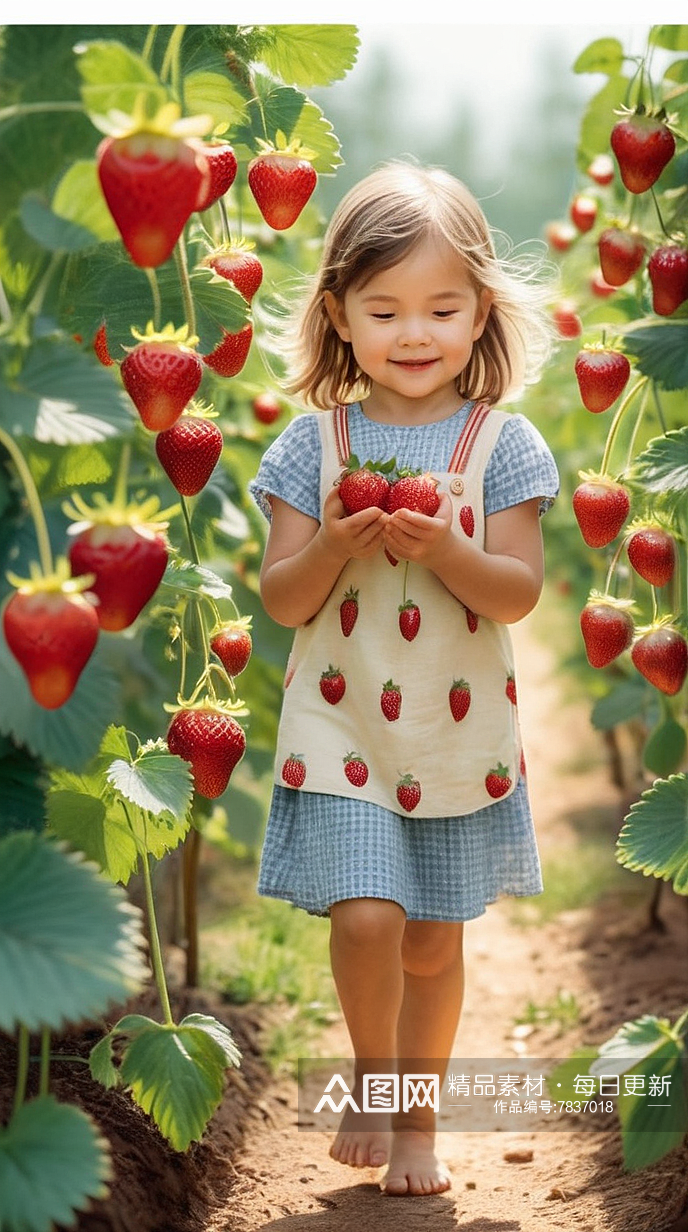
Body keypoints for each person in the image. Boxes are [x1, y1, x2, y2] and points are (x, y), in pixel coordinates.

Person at [248, 161, 560, 1197]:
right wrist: (335, 541)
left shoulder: (500, 444)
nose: (413, 332)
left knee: (430, 941)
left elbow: (514, 593)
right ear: (338, 314)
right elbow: (285, 600)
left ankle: (423, 1119)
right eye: (383, 309)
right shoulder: (313, 445)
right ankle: (379, 1084)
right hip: (341, 717)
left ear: (480, 313)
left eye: (440, 307)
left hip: (450, 726)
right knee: (367, 915)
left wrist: (444, 549)